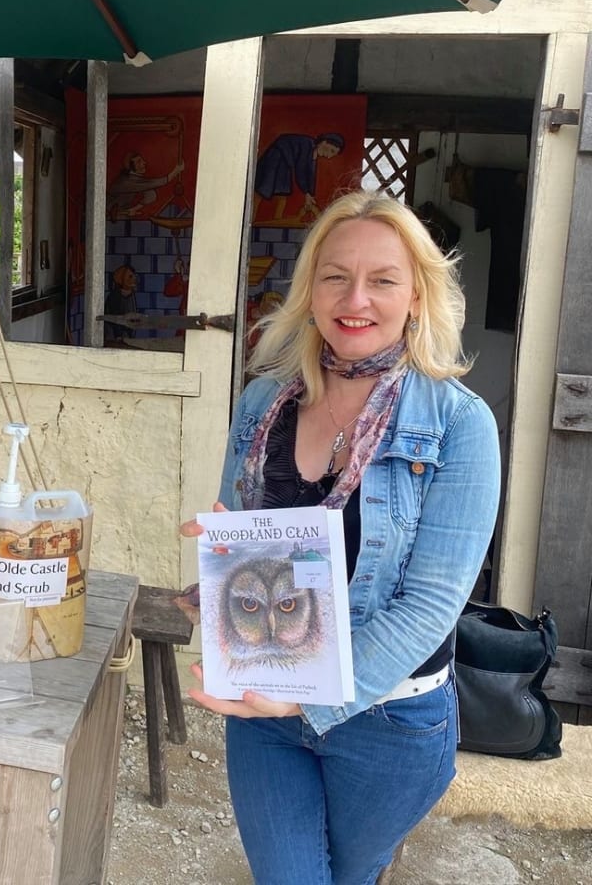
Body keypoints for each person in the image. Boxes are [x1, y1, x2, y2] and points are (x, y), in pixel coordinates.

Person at [181, 190, 500, 884]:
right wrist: (220, 568)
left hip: (388, 723)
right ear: (310, 289)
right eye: (335, 276)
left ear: (417, 296)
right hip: (265, 710)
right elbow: (258, 549)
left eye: (382, 279)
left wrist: (314, 698)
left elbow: (429, 607)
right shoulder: (264, 402)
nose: (356, 299)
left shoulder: (459, 424)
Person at [254, 132, 344, 222]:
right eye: (331, 151)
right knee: (263, 189)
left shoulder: (313, 153)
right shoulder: (307, 145)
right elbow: (300, 170)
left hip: (285, 162)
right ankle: (252, 216)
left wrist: (310, 194)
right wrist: (306, 193)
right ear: (324, 142)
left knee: (283, 192)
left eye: (333, 154)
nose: (329, 156)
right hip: (275, 157)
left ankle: (277, 218)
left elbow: (310, 174)